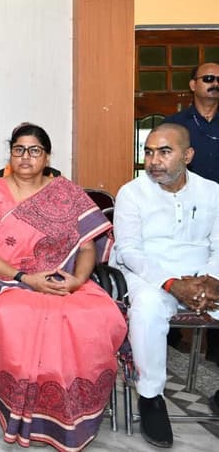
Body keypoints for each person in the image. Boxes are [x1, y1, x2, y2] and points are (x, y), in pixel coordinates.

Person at [0, 123, 126, 451]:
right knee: (22, 318)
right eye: (19, 150)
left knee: (96, 314)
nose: (25, 157)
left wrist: (78, 280)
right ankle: (31, 417)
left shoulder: (66, 191)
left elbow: (87, 246)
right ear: (10, 154)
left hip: (64, 282)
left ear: (47, 156)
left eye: (34, 150)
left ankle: (72, 416)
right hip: (13, 283)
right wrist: (25, 278)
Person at [109, 123, 219, 448]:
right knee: (147, 308)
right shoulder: (131, 193)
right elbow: (128, 250)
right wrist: (170, 283)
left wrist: (210, 281)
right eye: (149, 152)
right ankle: (151, 397)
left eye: (164, 152)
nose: (154, 161)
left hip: (203, 275)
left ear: (188, 155)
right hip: (150, 275)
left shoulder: (212, 192)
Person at [163, 62, 219, 363]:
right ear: (193, 84)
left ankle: (215, 356)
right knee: (177, 267)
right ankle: (169, 345)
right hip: (182, 208)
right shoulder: (176, 125)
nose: (215, 83)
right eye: (208, 78)